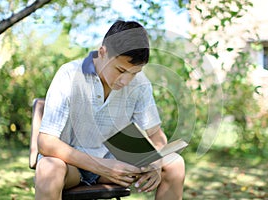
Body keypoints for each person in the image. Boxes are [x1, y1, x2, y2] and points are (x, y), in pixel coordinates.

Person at [35, 20, 185, 200]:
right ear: (102, 52)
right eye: (120, 70)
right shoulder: (69, 74)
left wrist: (156, 162)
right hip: (70, 166)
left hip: (114, 166)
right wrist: (101, 166)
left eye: (134, 73)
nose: (126, 81)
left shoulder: (140, 83)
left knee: (175, 163)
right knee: (48, 168)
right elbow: (45, 142)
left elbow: (156, 135)